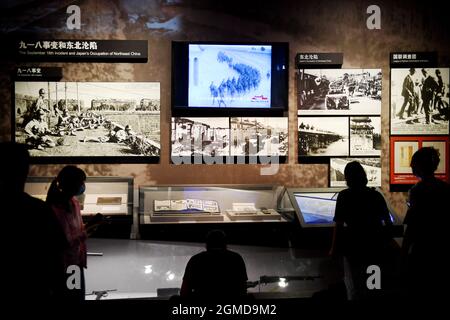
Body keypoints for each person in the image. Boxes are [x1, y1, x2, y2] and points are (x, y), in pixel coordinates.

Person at [1, 142, 66, 300]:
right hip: (33, 292)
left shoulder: (41, 210)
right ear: (26, 170)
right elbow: (57, 259)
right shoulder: (39, 211)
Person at [329, 161, 395, 300]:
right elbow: (388, 222)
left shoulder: (344, 196)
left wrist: (334, 249)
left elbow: (339, 225)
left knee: (355, 285)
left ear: (347, 177)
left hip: (354, 246)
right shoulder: (376, 195)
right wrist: (386, 243)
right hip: (375, 247)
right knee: (374, 286)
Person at [402, 147, 450, 300]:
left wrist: (403, 251)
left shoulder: (418, 190)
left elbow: (413, 225)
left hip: (422, 247)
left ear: (418, 166)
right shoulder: (445, 188)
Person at [46, 165, 88, 301]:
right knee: (71, 298)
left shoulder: (74, 203)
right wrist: (85, 233)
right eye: (81, 182)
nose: (83, 186)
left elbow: (76, 228)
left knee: (77, 294)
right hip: (66, 265)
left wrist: (87, 227)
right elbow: (63, 241)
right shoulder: (55, 209)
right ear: (72, 184)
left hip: (76, 261)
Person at [180, 229, 248, 300]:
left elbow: (185, 290)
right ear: (225, 244)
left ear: (207, 244)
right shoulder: (236, 258)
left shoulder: (195, 259)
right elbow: (242, 288)